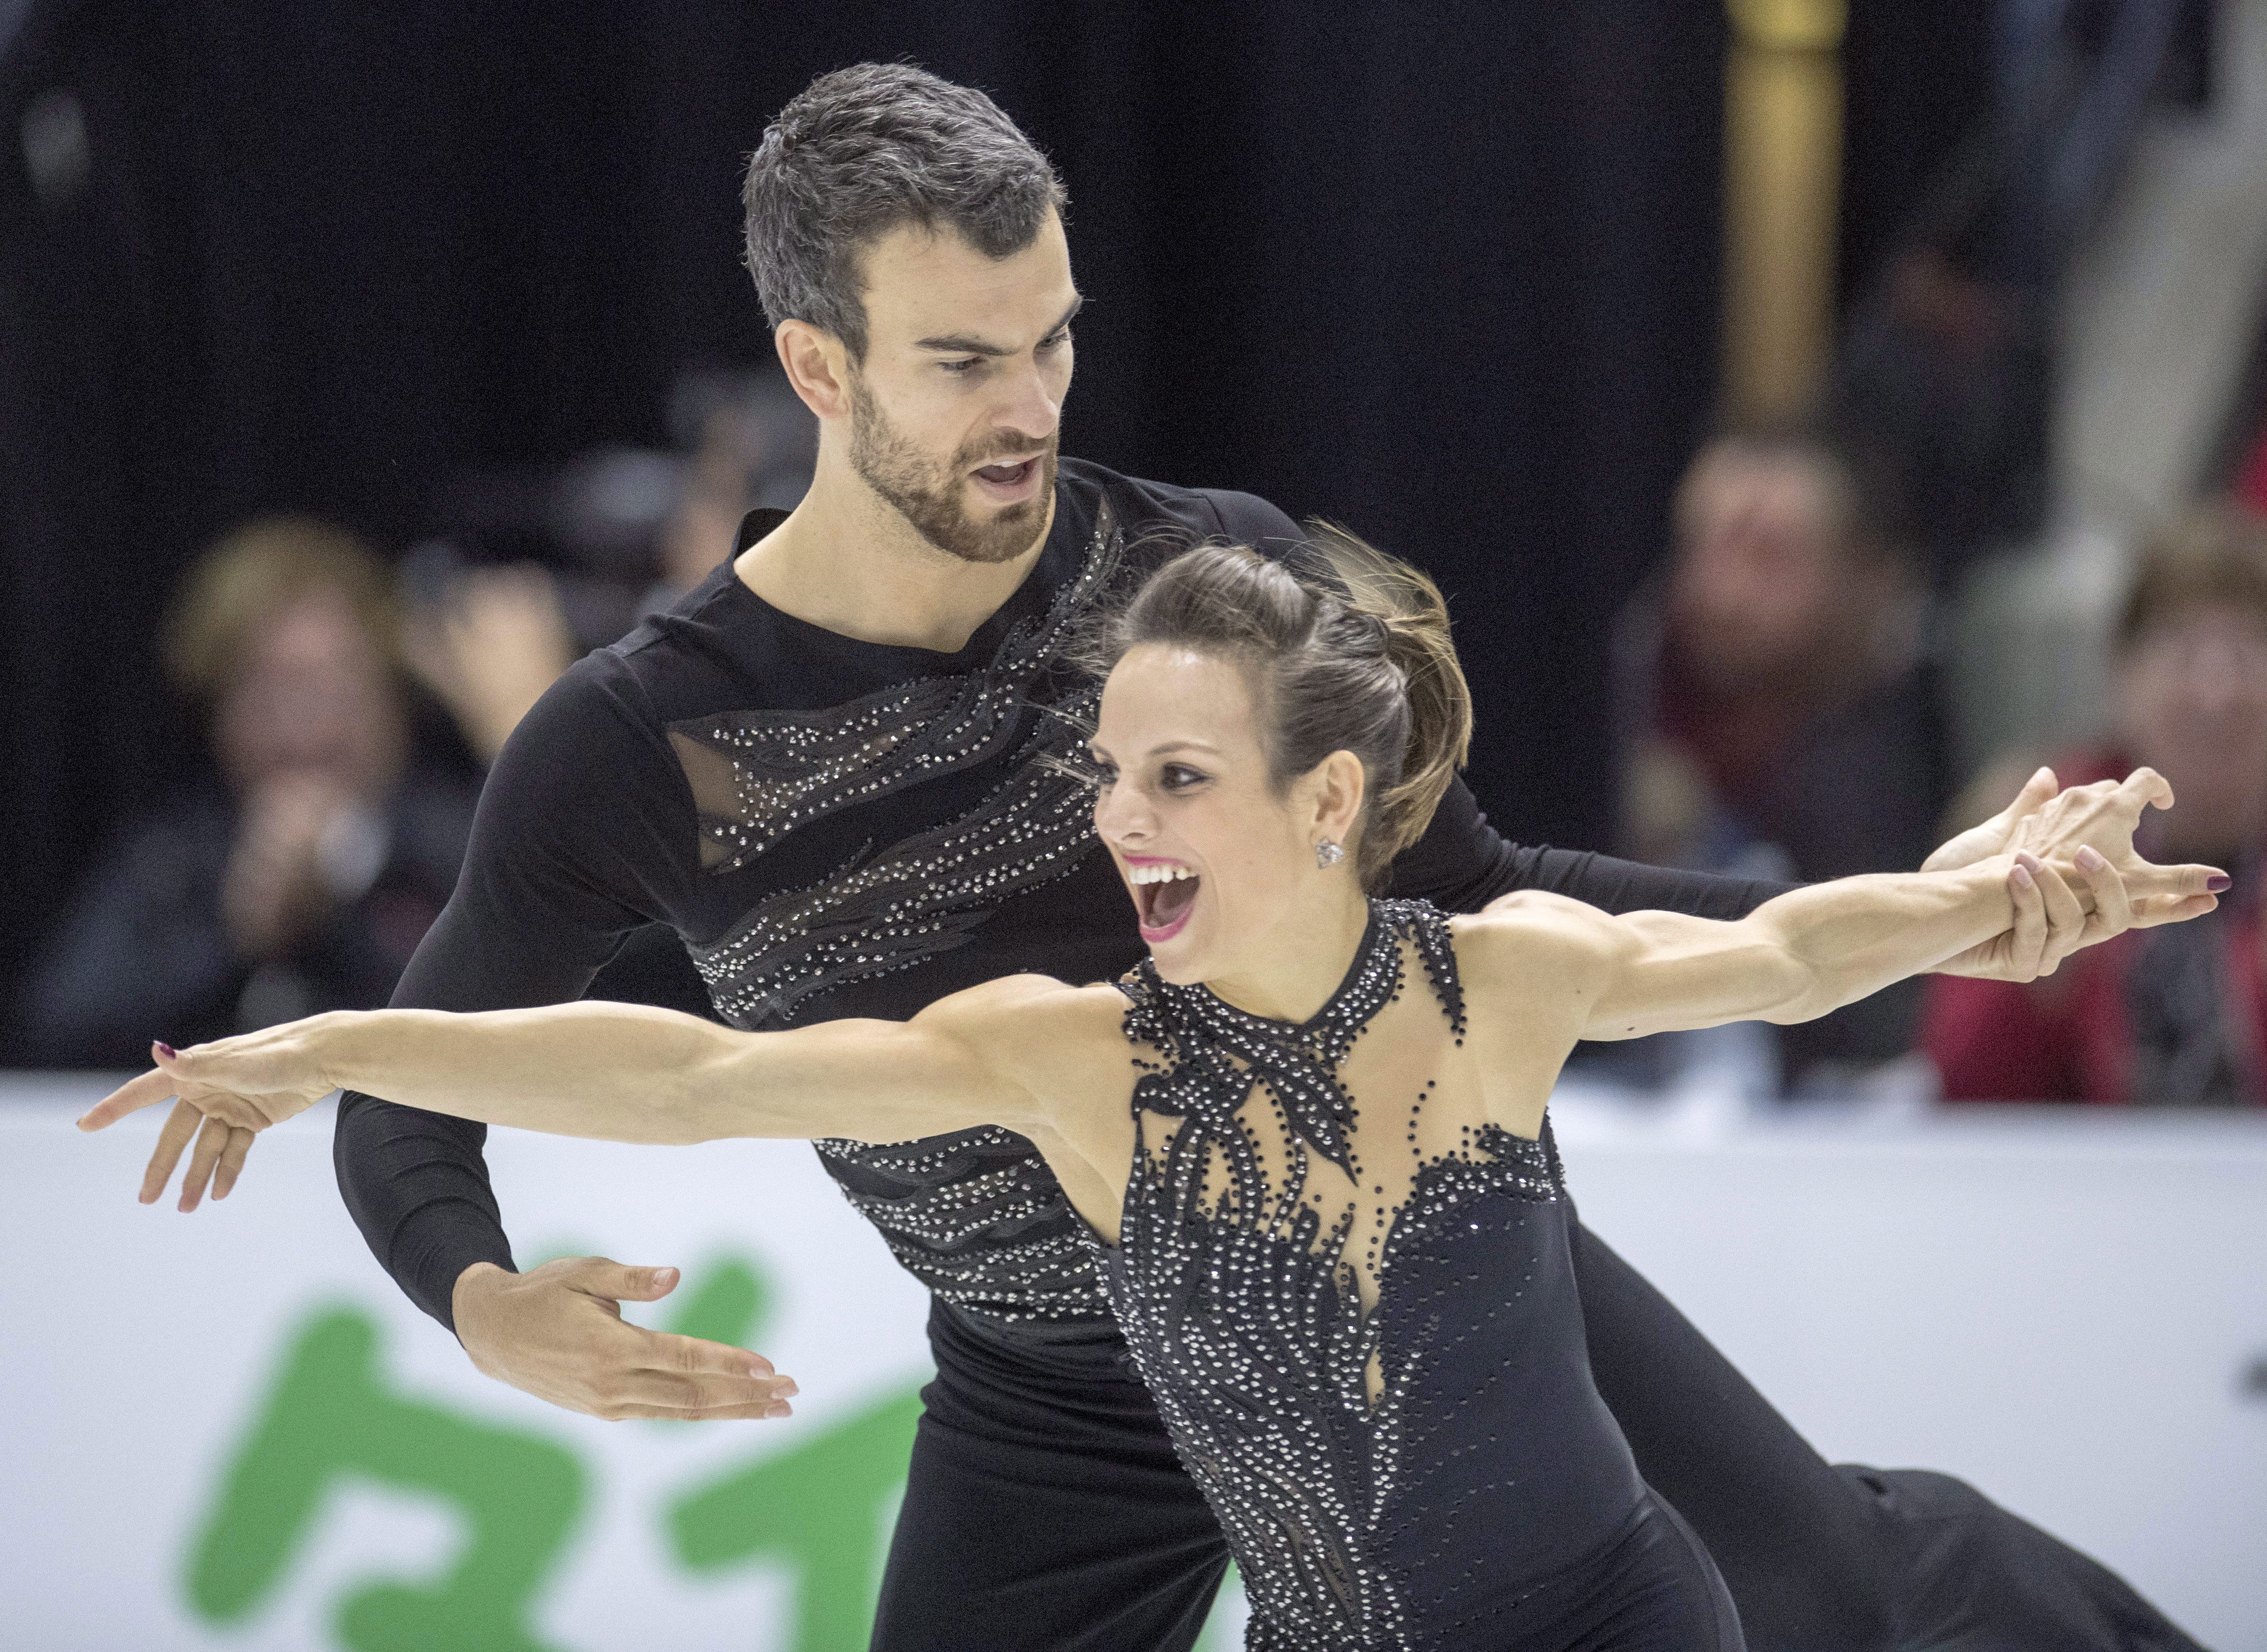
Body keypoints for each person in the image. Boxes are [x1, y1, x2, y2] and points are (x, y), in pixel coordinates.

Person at [130, 64, 2219, 1652]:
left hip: (1416, 1268)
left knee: (1829, 1589)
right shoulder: (641, 737)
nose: (1026, 403)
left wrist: (1944, 900)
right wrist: (480, 1295)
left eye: (1048, 337)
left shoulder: (1201, 572)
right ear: (815, 366)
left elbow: (1481, 896)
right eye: (959, 360)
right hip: (1059, 1385)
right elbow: (458, 1058)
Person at [88, 538, 2216, 1651]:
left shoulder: (1490, 984)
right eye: (1105, 771)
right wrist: (339, 1043)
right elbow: (678, 1068)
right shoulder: (1076, 1053)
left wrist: (1964, 906)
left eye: (1166, 776)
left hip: (1589, 1605)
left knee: (1847, 1578)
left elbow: (1766, 950)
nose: (1111, 819)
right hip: (1210, 1518)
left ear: (1323, 796)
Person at [13, 517, 481, 1067]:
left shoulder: (468, 848)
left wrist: (334, 918)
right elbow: (58, 1030)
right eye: (267, 697)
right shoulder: (177, 859)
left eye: (333, 691)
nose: (303, 733)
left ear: (394, 697)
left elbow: (517, 1030)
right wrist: (235, 938)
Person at [1615, 422, 1952, 1088]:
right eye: (1703, 549)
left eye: (1767, 558)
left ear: (1869, 582)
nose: (1722, 592)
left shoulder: (1904, 769)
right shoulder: (1621, 722)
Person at [1926, 501, 2267, 1105]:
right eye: (2182, 651)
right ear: (2121, 671)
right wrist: (2037, 969)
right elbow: (1963, 1081)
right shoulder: (2040, 813)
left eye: (2246, 653)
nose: (2216, 692)